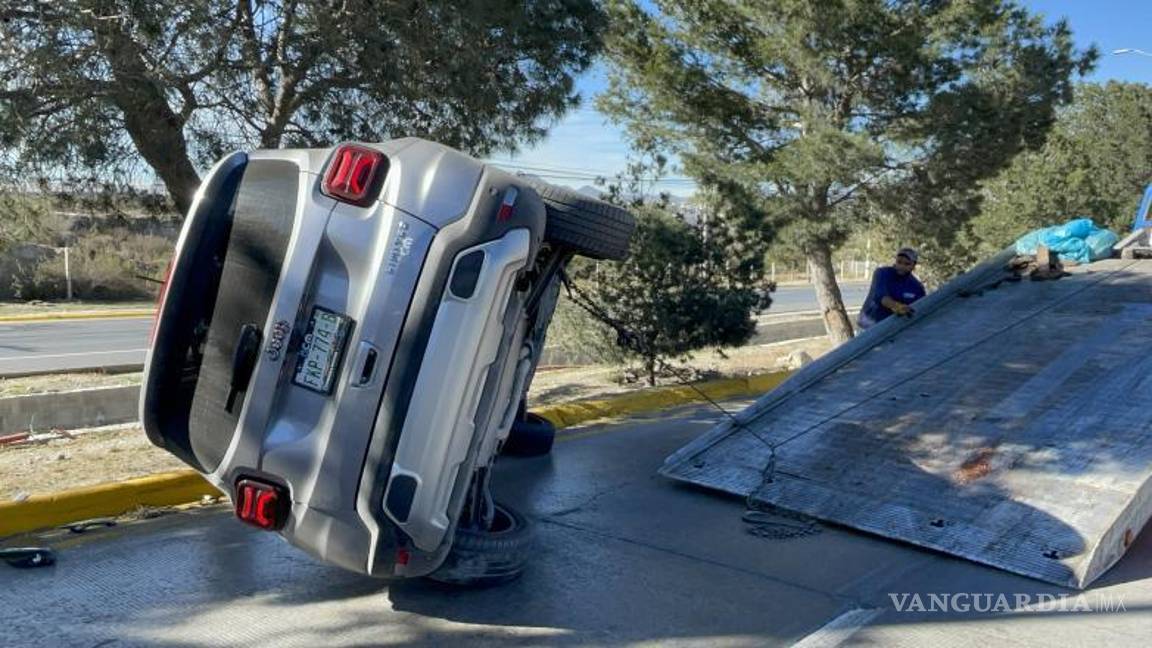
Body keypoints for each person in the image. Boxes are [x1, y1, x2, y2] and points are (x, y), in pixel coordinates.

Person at [857, 247, 926, 330]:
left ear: (913, 265)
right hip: (869, 323)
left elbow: (920, 307)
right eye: (899, 262)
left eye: (907, 264)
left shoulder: (916, 286)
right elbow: (881, 296)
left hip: (892, 327)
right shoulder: (882, 273)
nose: (901, 266)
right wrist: (896, 306)